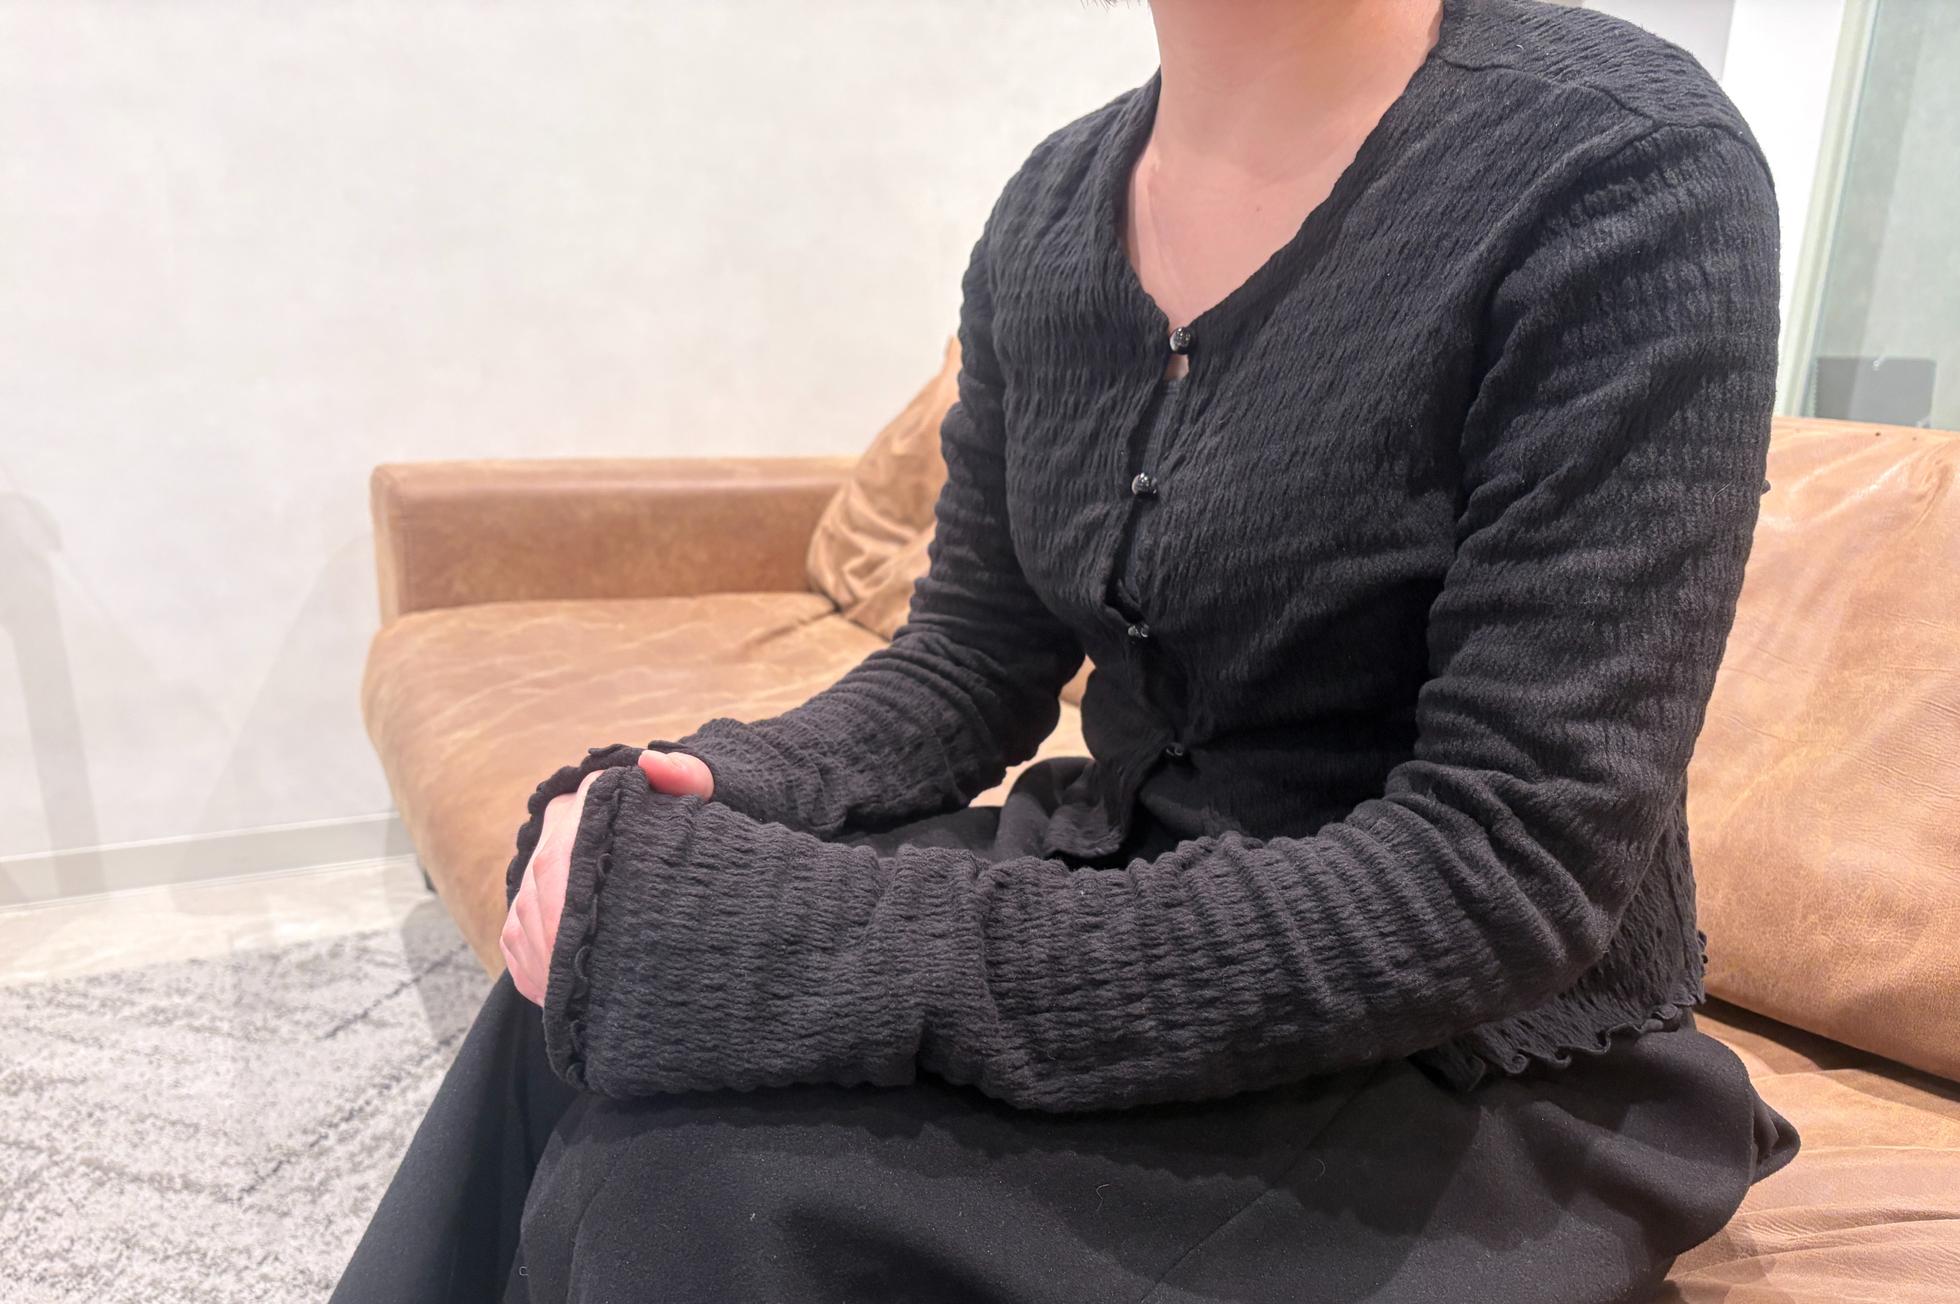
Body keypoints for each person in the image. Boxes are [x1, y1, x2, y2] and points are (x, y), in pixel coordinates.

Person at [335, 0, 1802, 1299]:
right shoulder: (1050, 212)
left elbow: (1505, 867)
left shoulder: (1620, 166)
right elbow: (969, 663)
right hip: (1125, 881)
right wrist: (710, 787)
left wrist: (816, 942)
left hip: (1474, 1045)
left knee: (682, 1188)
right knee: (586, 982)